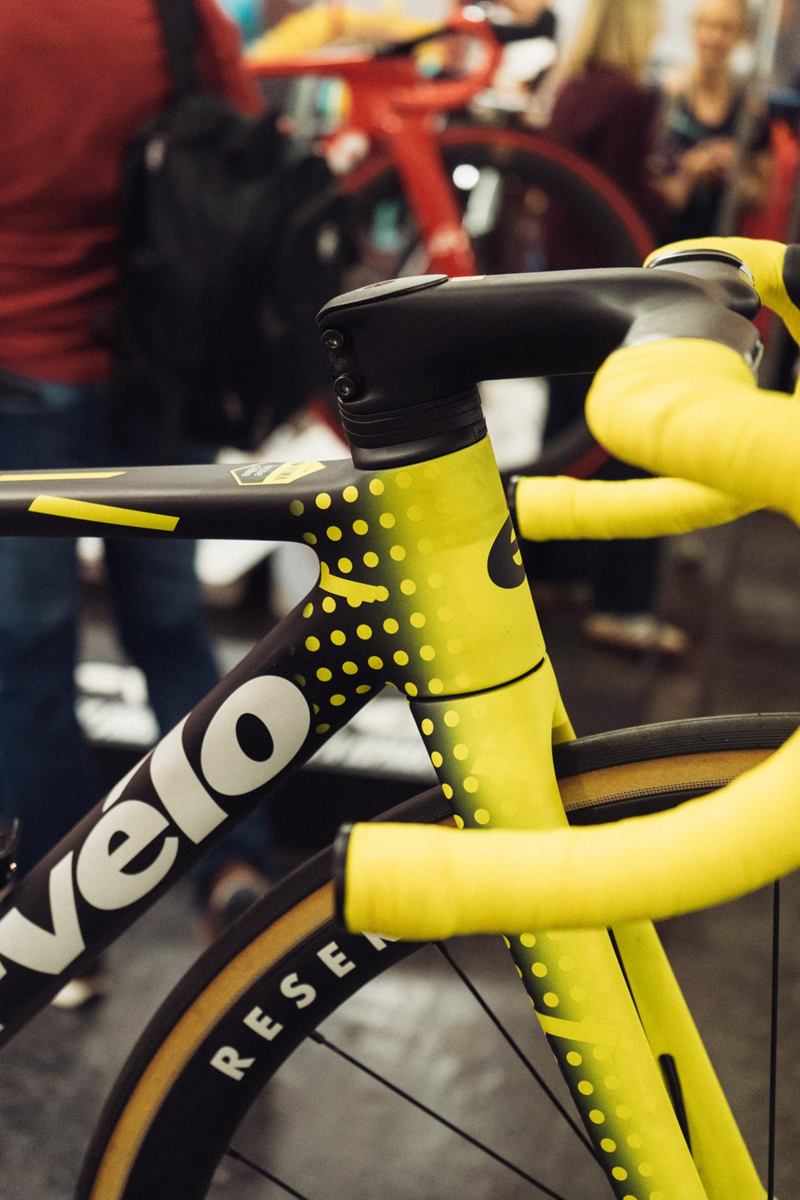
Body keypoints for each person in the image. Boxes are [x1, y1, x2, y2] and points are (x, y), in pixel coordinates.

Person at [0, 0, 271, 1005]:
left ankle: (58, 931)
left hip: (21, 373)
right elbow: (246, 155)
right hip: (159, 372)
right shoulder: (182, 16)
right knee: (169, 627)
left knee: (30, 650)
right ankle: (233, 870)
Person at [537, 0, 687, 656]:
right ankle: (621, 604)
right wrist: (677, 190)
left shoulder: (573, 88)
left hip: (560, 286)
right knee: (632, 443)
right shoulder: (630, 97)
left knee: (565, 439)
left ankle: (555, 570)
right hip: (615, 290)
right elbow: (627, 200)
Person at [658, 0, 771, 241]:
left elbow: (761, 196)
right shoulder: (667, 97)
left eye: (725, 28)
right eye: (706, 24)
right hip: (661, 241)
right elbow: (642, 185)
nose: (714, 37)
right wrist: (690, 169)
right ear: (693, 28)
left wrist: (733, 173)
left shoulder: (750, 110)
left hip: (719, 248)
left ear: (740, 35)